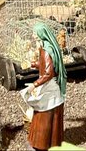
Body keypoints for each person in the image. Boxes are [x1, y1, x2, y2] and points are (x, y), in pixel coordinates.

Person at [23, 22, 67, 151]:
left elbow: (48, 73)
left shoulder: (47, 51)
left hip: (49, 89)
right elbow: (46, 65)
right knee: (47, 115)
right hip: (51, 87)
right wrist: (33, 64)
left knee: (44, 115)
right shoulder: (46, 48)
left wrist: (34, 85)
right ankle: (52, 142)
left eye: (35, 33)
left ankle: (41, 144)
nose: (33, 35)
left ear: (41, 34)